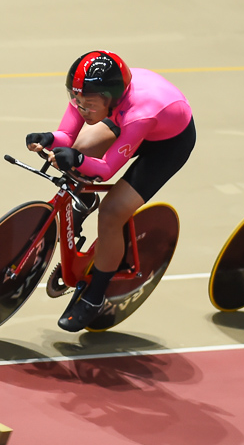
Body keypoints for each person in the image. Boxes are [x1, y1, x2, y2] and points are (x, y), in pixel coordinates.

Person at [25, 50, 195, 332]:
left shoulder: (139, 114)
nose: (81, 108)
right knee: (77, 148)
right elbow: (66, 137)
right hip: (129, 120)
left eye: (88, 105)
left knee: (113, 211)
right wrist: (48, 138)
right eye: (76, 100)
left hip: (167, 144)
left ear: (109, 98)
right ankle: (84, 200)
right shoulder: (90, 95)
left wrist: (77, 161)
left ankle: (94, 297)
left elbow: (105, 169)